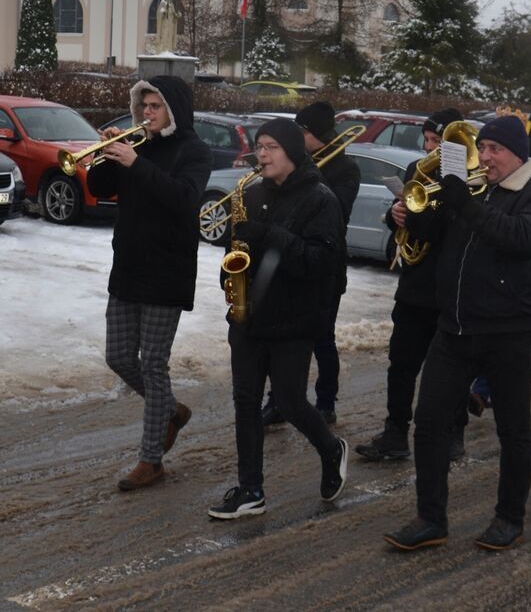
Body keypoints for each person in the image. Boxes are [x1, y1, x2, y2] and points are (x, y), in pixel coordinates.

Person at [384, 115, 531, 552]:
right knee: (428, 424)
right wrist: (406, 216)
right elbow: (435, 236)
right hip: (455, 326)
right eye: (481, 149)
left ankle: (509, 518)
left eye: (494, 150)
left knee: (513, 431)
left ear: (517, 153)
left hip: (510, 331)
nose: (484, 158)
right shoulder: (477, 189)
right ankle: (431, 518)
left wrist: (464, 201)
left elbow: (518, 238)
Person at [208, 119, 348, 519]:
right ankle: (251, 489)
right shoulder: (250, 194)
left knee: (288, 401)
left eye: (270, 146)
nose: (261, 154)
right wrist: (228, 277)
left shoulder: (321, 199)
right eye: (258, 146)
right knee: (246, 401)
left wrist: (269, 234)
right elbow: (238, 249)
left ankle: (330, 449)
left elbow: (320, 261)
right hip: (248, 316)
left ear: (291, 150)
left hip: (294, 319)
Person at [87, 76, 213, 491]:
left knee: (154, 364)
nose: (146, 114)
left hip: (167, 271)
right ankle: (171, 410)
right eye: (143, 106)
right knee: (119, 356)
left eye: (155, 107)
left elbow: (184, 200)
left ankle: (150, 461)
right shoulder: (135, 144)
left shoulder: (193, 150)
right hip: (127, 267)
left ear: (173, 109)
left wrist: (135, 164)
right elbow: (98, 188)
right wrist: (107, 157)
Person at [355, 108, 468, 463]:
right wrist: (394, 215)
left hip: (449, 291)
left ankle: (454, 431)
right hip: (414, 287)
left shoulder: (468, 183)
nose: (430, 148)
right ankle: (395, 432)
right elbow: (402, 219)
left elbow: (443, 230)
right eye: (429, 140)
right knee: (401, 364)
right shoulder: (416, 172)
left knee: (452, 369)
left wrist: (417, 217)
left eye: (439, 142)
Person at [262, 102, 360, 426]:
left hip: (325, 267)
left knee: (322, 338)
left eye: (302, 131)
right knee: (280, 338)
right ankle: (277, 401)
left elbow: (339, 210)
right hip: (290, 261)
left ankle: (326, 402)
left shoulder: (346, 169)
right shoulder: (293, 163)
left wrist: (310, 176)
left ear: (312, 133)